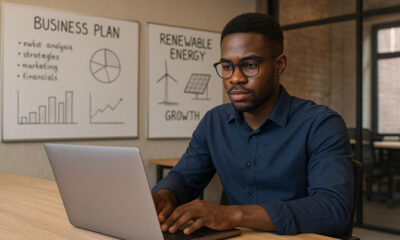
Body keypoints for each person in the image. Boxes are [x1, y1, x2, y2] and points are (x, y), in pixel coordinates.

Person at [152, 12, 353, 237]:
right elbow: (184, 177)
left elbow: (334, 210)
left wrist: (234, 215)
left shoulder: (321, 124)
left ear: (279, 65)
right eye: (227, 66)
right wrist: (164, 195)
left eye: (249, 65)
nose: (235, 78)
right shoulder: (214, 122)